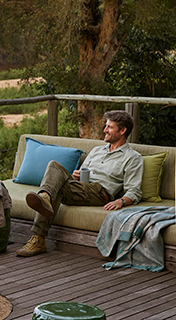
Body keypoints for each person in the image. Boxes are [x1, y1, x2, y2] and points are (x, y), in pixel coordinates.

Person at [17, 110, 143, 257]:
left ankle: (38, 237)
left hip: (100, 192)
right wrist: (76, 176)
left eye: (109, 127)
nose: (105, 130)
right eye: (106, 126)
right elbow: (82, 174)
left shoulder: (133, 158)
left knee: (57, 189)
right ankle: (45, 197)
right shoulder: (97, 151)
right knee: (54, 165)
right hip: (82, 187)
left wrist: (121, 201)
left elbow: (134, 191)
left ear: (122, 131)